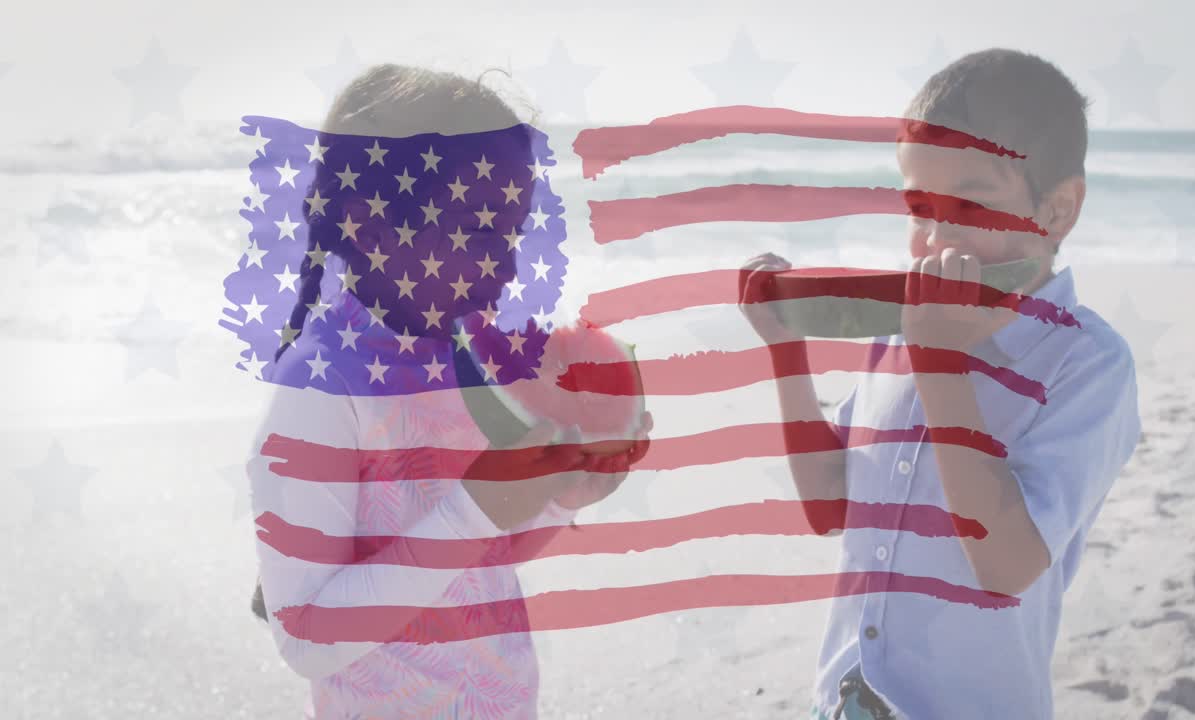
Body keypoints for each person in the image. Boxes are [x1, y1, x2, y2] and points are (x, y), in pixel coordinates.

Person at [739, 49, 1141, 719]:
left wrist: (940, 363)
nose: (935, 239)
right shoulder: (904, 333)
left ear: (1058, 210)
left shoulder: (1088, 363)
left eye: (970, 205)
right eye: (920, 207)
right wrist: (786, 349)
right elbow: (828, 505)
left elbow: (1006, 565)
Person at [246, 64, 649, 719]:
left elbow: (479, 562)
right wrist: (476, 510)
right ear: (370, 228)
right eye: (483, 231)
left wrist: (559, 495)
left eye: (514, 232)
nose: (509, 265)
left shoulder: (462, 364)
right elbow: (306, 637)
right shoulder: (321, 389)